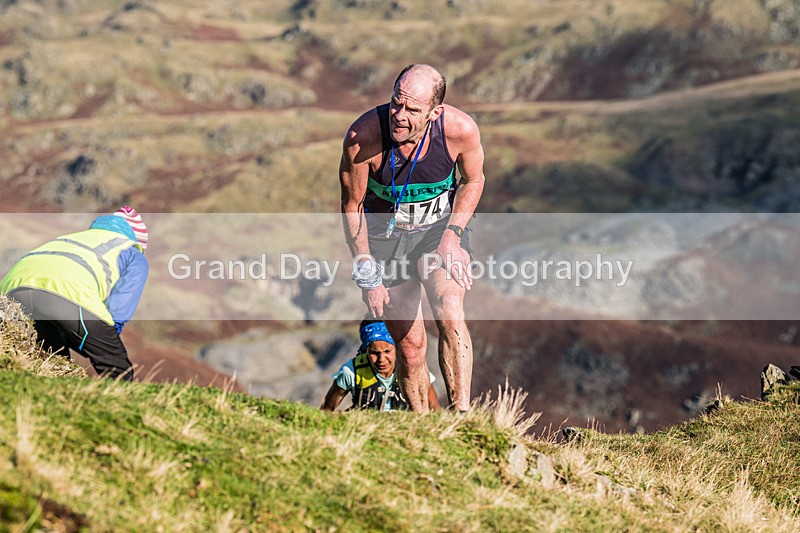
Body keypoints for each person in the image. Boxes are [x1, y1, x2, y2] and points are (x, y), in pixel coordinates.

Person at [339, 63, 486, 412]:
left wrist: (453, 235)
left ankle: (461, 417)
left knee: (450, 310)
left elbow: (474, 180)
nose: (399, 116)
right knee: (410, 347)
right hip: (385, 240)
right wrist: (366, 271)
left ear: (435, 113)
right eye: (395, 103)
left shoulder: (460, 131)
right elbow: (352, 205)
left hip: (438, 231)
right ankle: (422, 426)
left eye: (412, 109)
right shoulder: (364, 139)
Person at [0, 206, 149, 380]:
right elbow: (118, 311)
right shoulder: (132, 253)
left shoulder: (73, 238)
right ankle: (120, 405)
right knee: (118, 370)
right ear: (137, 241)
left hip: (11, 293)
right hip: (66, 293)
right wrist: (103, 342)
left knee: (53, 366)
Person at [321, 320, 440, 412]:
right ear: (365, 349)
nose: (381, 360)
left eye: (387, 351)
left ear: (397, 348)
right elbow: (326, 411)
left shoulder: (413, 369)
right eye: (374, 353)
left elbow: (435, 409)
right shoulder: (351, 371)